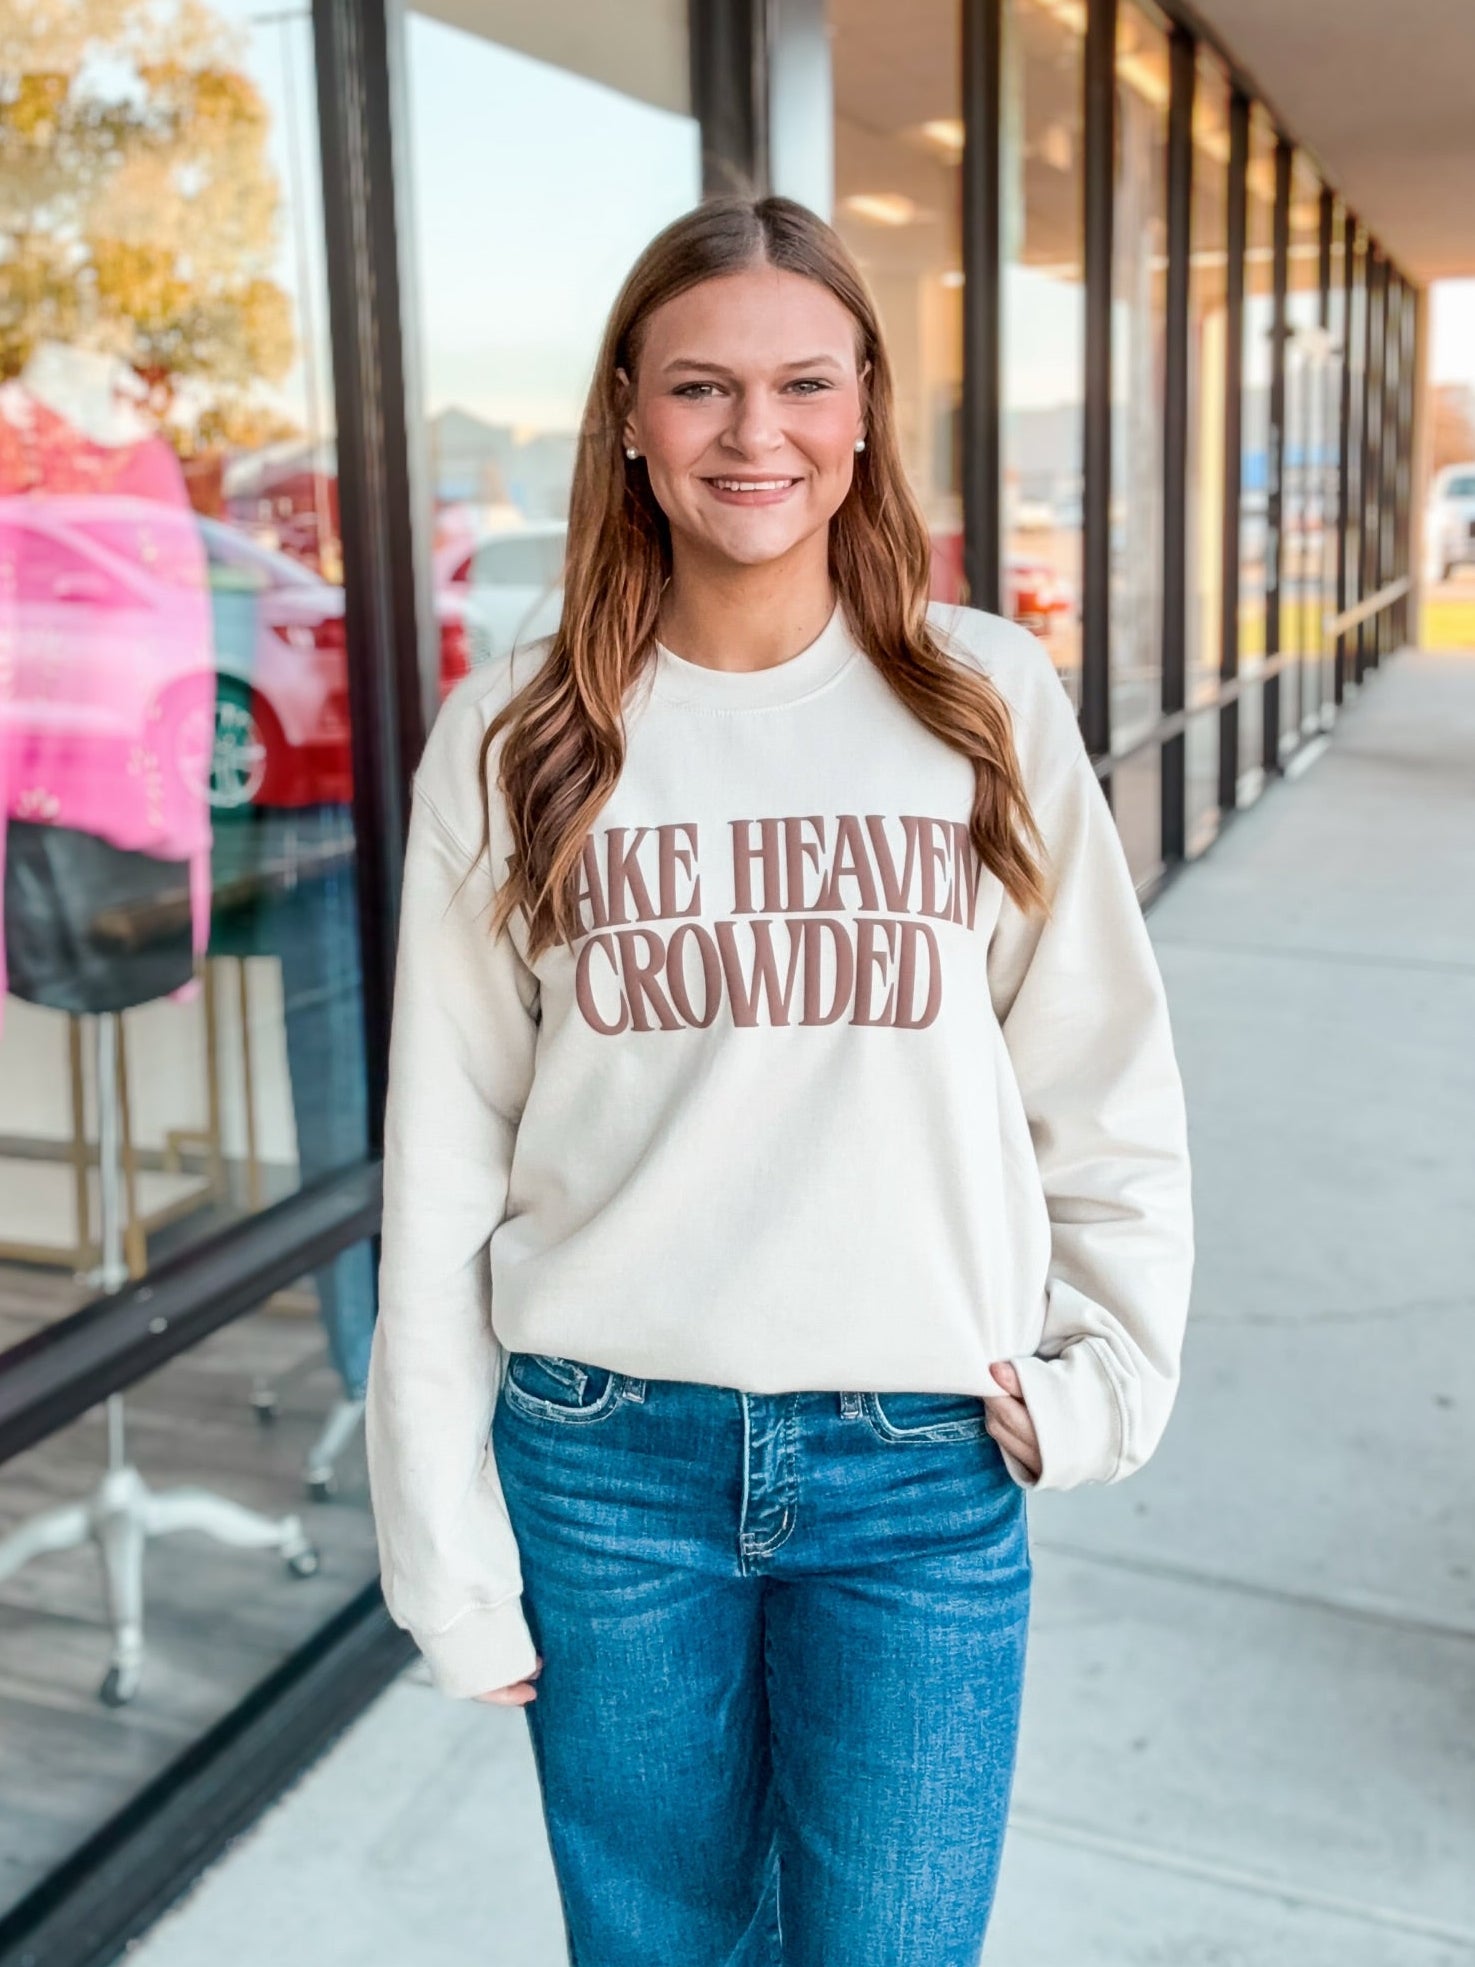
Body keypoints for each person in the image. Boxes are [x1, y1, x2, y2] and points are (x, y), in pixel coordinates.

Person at [366, 194, 1194, 1965]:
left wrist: (1111, 1380)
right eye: (701, 386)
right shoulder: (519, 734)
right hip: (607, 1470)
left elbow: (1101, 1076)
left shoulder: (981, 696)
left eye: (805, 382)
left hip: (917, 1471)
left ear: (866, 405)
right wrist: (442, 1545)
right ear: (628, 413)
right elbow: (443, 1162)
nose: (757, 433)